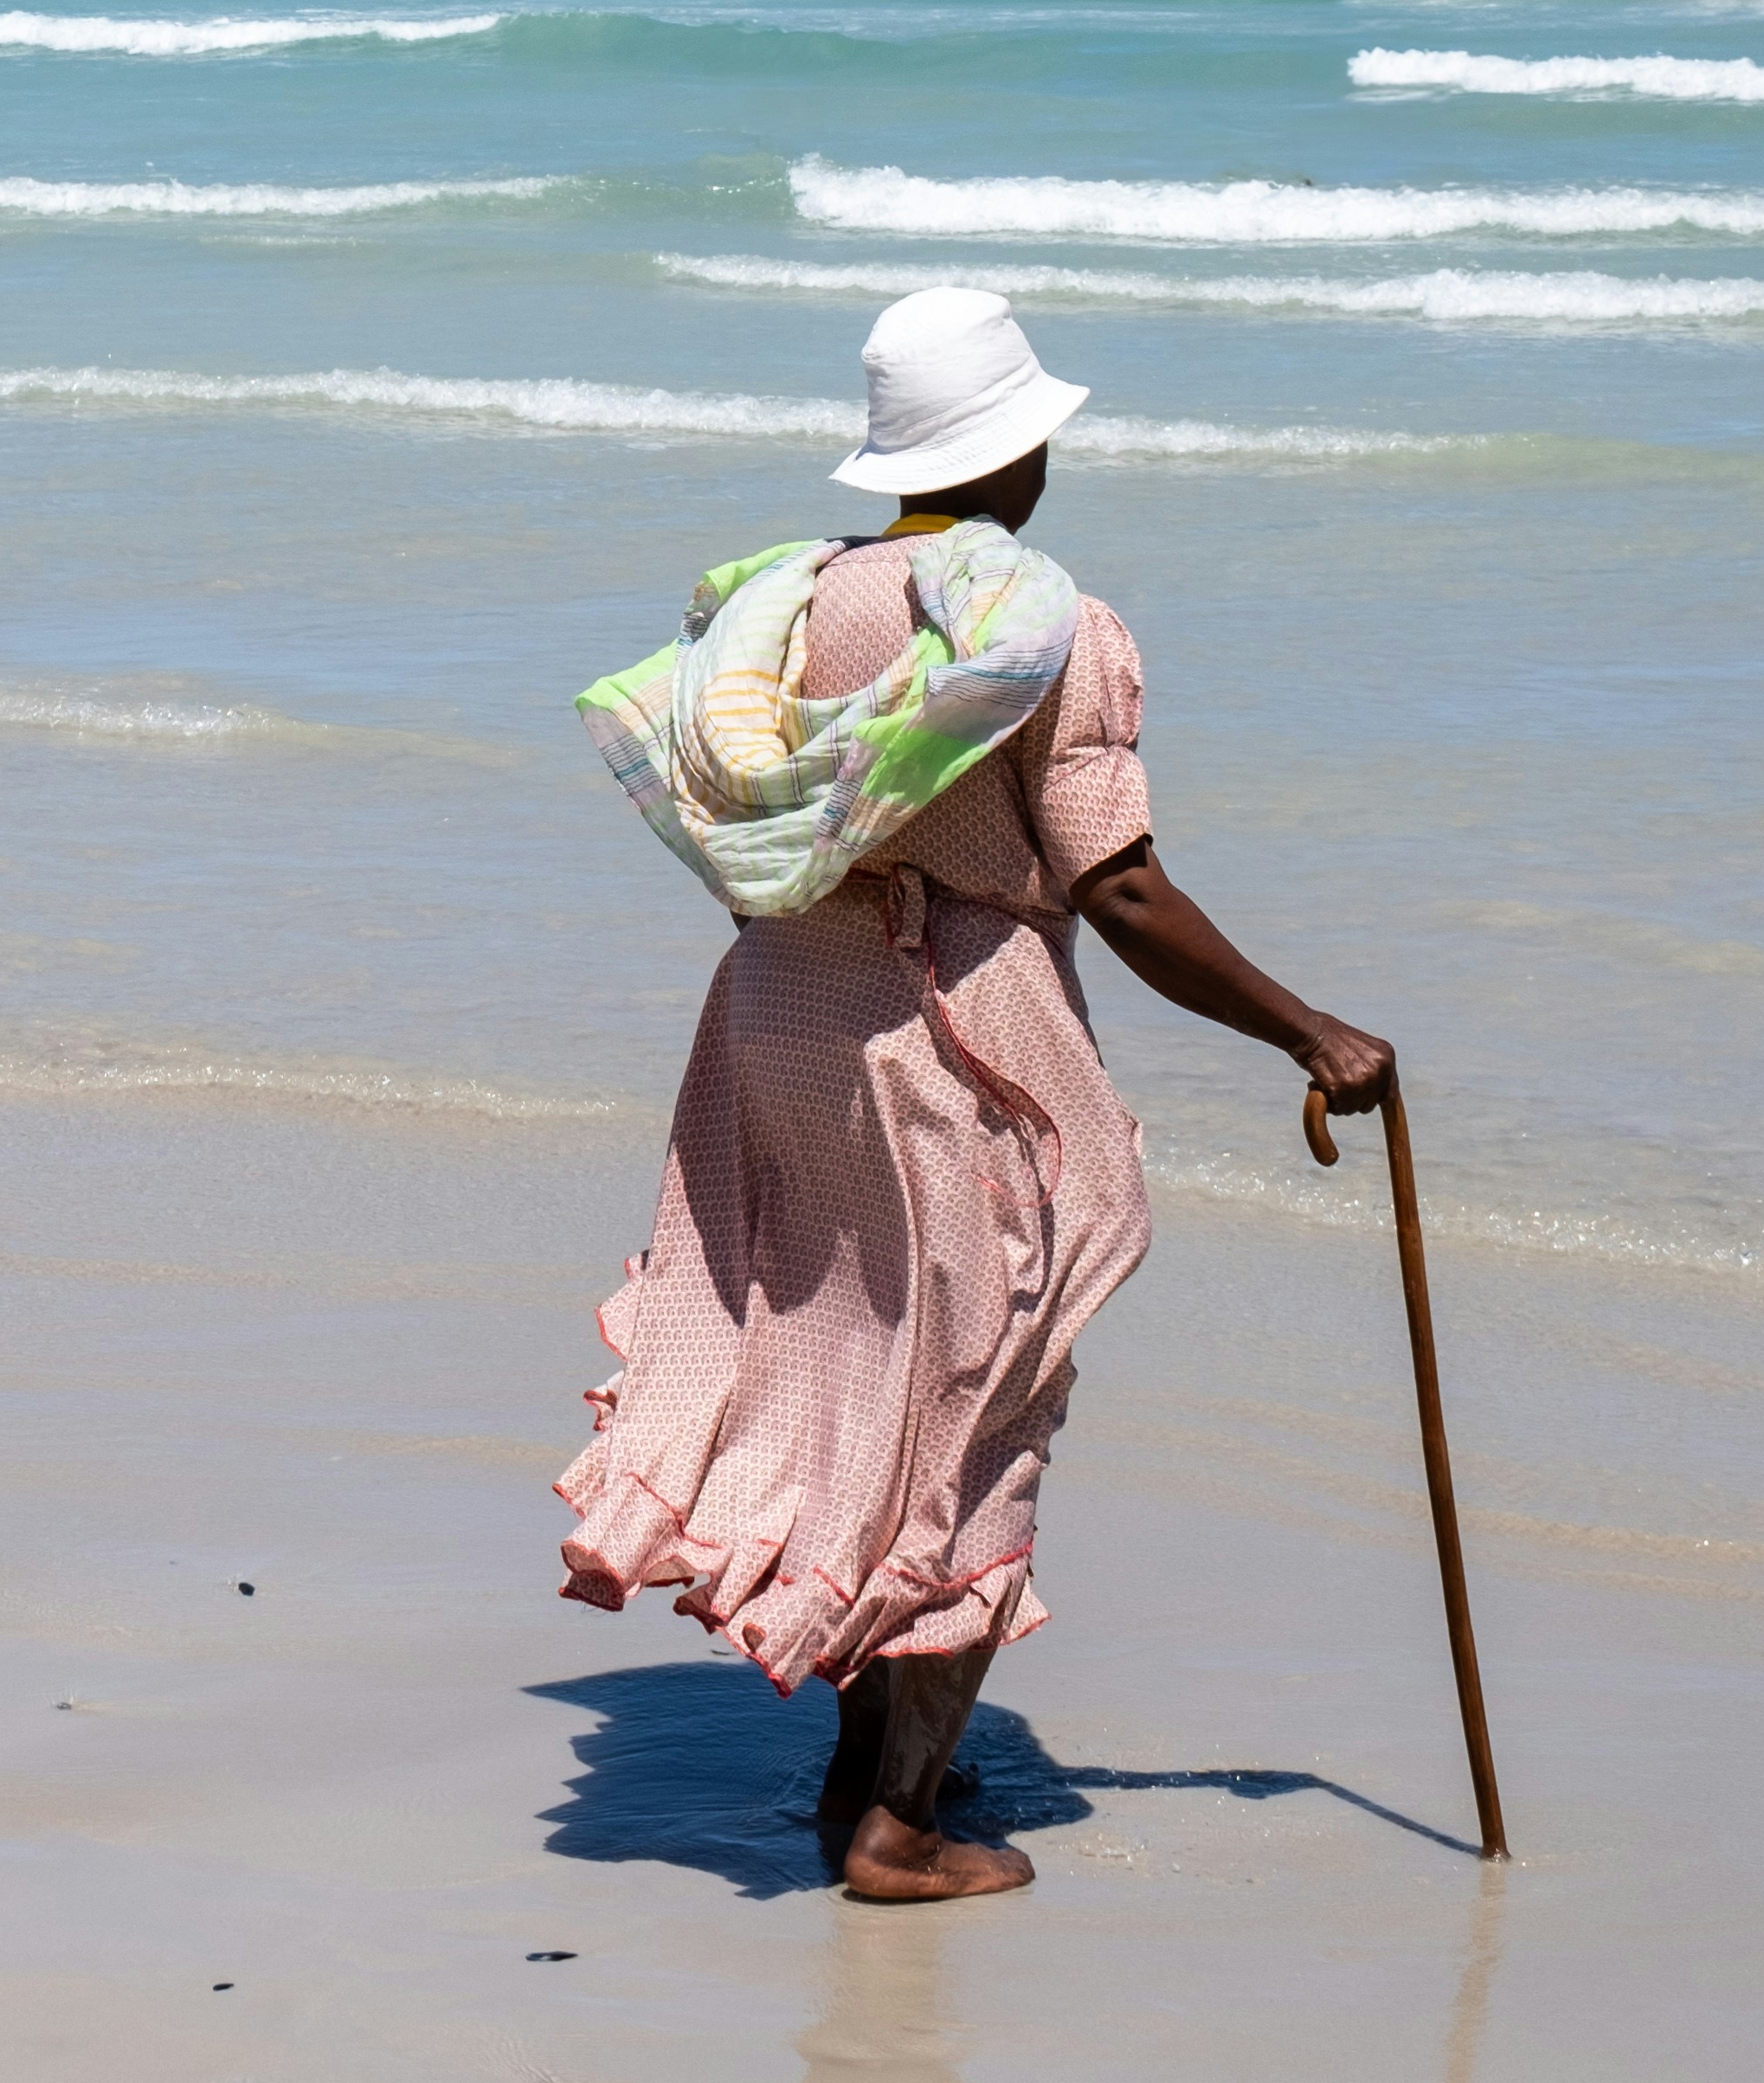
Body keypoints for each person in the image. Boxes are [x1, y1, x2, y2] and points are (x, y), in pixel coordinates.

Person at [556, 289, 1393, 1902]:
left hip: (782, 1013)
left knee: (864, 1370)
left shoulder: (786, 605)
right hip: (951, 1032)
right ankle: (897, 1824)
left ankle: (861, 1767)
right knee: (979, 1398)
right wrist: (1308, 1032)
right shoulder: (1045, 626)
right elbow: (1122, 889)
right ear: (1023, 445)